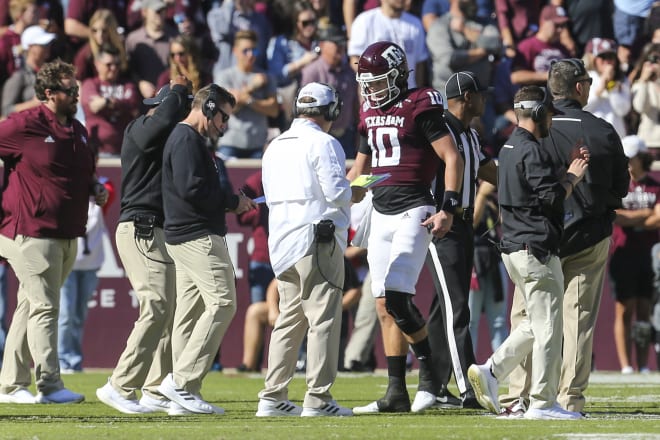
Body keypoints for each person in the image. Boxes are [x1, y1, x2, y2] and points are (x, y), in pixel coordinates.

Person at [497, 58, 630, 417]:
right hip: (586, 235)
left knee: (526, 317)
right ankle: (569, 398)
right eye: (587, 81)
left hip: (536, 238)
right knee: (577, 320)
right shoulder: (602, 131)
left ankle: (514, 397)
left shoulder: (532, 131)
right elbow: (621, 188)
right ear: (579, 87)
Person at [348, 41, 463, 414]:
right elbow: (361, 169)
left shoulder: (421, 102)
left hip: (415, 207)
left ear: (398, 75)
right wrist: (341, 195)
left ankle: (431, 380)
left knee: (398, 296)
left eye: (378, 80)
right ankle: (396, 390)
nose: (372, 88)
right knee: (383, 304)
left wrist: (448, 206)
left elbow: (451, 156)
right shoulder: (369, 110)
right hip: (379, 209)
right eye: (368, 81)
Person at [468, 85, 588, 420]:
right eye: (549, 112)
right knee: (549, 326)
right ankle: (542, 402)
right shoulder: (531, 150)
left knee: (536, 322)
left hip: (514, 247)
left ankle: (492, 370)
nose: (551, 118)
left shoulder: (508, 146)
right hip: (534, 247)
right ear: (538, 113)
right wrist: (572, 177)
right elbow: (550, 198)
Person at [0, 59, 107, 404]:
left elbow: (81, 172)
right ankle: (49, 385)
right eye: (70, 89)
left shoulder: (77, 129)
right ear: (49, 93)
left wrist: (94, 187)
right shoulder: (24, 124)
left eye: (76, 88)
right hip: (30, 230)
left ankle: (10, 385)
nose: (77, 94)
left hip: (66, 232)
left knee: (31, 305)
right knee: (46, 306)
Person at [255, 82, 355, 418]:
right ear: (330, 112)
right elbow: (337, 192)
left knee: (289, 320)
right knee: (323, 320)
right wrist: (356, 191)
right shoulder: (325, 143)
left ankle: (272, 396)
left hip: (282, 242)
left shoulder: (274, 145)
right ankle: (318, 398)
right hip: (316, 239)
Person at [95, 76, 192, 415]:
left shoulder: (165, 137)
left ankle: (154, 389)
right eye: (176, 108)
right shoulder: (140, 128)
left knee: (167, 312)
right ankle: (120, 385)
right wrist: (179, 92)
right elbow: (164, 119)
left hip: (157, 230)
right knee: (156, 306)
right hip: (141, 229)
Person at [157, 83, 256, 415]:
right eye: (223, 117)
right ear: (209, 108)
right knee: (223, 303)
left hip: (186, 234)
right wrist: (233, 202)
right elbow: (192, 189)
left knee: (190, 314)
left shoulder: (190, 139)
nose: (225, 126)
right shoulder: (186, 139)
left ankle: (183, 394)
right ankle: (181, 382)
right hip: (196, 235)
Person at [422, 71, 498, 412]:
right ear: (467, 96)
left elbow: (487, 170)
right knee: (456, 307)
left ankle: (434, 384)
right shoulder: (442, 128)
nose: (485, 99)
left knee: (443, 310)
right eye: (480, 93)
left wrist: (524, 176)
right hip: (445, 224)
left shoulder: (468, 132)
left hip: (466, 225)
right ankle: (468, 386)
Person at [58, 166, 116, 374]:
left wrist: (94, 187)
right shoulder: (67, 182)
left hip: (91, 262)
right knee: (65, 314)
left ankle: (74, 360)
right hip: (69, 261)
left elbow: (107, 193)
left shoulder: (103, 183)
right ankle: (63, 360)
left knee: (79, 315)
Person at [611, 135, 660, 375]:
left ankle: (642, 364)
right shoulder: (618, 184)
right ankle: (625, 365)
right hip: (624, 253)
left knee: (644, 310)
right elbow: (615, 215)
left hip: (649, 254)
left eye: (631, 158)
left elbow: (658, 218)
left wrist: (630, 216)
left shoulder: (655, 184)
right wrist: (645, 214)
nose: (628, 163)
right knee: (624, 308)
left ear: (642, 157)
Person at [216, 29, 279, 160]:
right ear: (235, 51)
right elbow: (227, 110)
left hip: (258, 145)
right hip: (229, 143)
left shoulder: (266, 77)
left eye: (254, 50)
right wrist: (251, 88)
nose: (250, 55)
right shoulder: (224, 77)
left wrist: (247, 100)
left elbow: (273, 110)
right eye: (245, 51)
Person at [300, 22, 358, 158]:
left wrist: (358, 133)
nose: (340, 47)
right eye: (335, 43)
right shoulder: (311, 72)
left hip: (347, 135)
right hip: (320, 138)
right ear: (322, 45)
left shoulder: (349, 72)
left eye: (342, 43)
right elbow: (304, 111)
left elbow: (355, 103)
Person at [347, 0, 429, 89]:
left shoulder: (415, 24)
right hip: (376, 94)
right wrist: (372, 85)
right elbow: (355, 60)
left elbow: (420, 63)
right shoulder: (364, 21)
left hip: (408, 92)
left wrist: (417, 91)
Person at [80, 44, 140, 156]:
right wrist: (116, 103)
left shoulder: (128, 85)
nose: (113, 68)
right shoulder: (90, 84)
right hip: (97, 152)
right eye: (109, 65)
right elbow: (94, 106)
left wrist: (106, 102)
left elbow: (133, 107)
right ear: (97, 64)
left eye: (117, 64)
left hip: (125, 151)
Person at [510, 5, 571, 87]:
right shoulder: (527, 45)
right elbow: (516, 76)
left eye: (562, 26)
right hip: (537, 95)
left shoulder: (563, 48)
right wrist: (547, 75)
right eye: (556, 25)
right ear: (543, 22)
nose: (560, 30)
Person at [1, 24, 56, 117]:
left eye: (48, 44)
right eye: (43, 44)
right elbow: (6, 110)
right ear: (30, 47)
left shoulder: (49, 73)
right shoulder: (19, 76)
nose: (47, 47)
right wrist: (33, 104)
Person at [583, 38, 631, 140]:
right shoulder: (586, 78)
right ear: (595, 60)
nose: (607, 61)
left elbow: (623, 110)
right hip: (593, 136)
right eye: (602, 57)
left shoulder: (623, 80)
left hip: (617, 136)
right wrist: (601, 87)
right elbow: (584, 107)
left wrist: (611, 86)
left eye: (611, 57)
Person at [72, 9, 128, 82]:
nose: (99, 35)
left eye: (104, 31)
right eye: (95, 30)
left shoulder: (122, 49)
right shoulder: (85, 54)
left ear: (112, 30)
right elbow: (78, 81)